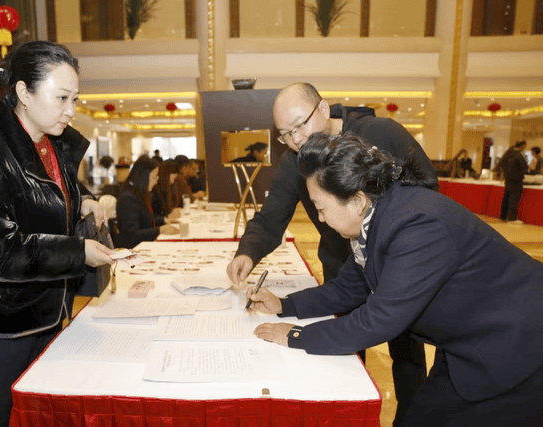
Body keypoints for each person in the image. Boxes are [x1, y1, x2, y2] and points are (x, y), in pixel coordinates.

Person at [248, 132, 543, 427]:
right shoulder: (378, 216)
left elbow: (378, 320)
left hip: (518, 347)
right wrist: (284, 305)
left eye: (321, 208)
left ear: (357, 200)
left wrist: (296, 336)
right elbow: (349, 288)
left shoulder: (417, 226)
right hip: (467, 344)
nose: (321, 219)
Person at [226, 82, 437, 426]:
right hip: (345, 264)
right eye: (285, 134)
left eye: (299, 126)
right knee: (347, 353)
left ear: (323, 109)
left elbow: (425, 187)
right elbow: (272, 216)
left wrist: (393, 238)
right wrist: (248, 252)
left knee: (407, 352)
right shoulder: (295, 161)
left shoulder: (380, 133)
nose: (295, 140)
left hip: (402, 258)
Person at [0, 41, 116, 427]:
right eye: (61, 98)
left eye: (75, 99)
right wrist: (77, 252)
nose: (71, 110)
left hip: (42, 316)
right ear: (23, 92)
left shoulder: (50, 145)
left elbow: (43, 199)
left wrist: (83, 200)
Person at [116, 156, 179, 248]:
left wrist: (163, 220)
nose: (156, 182)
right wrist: (159, 230)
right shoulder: (127, 199)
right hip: (135, 249)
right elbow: (131, 235)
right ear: (143, 176)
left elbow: (145, 220)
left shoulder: (140, 194)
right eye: (154, 177)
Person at [500, 140, 528, 224]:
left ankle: (503, 216)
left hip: (508, 179)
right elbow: (524, 167)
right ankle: (512, 218)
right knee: (514, 199)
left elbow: (502, 165)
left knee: (506, 198)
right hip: (516, 180)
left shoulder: (509, 153)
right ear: (523, 146)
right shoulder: (519, 155)